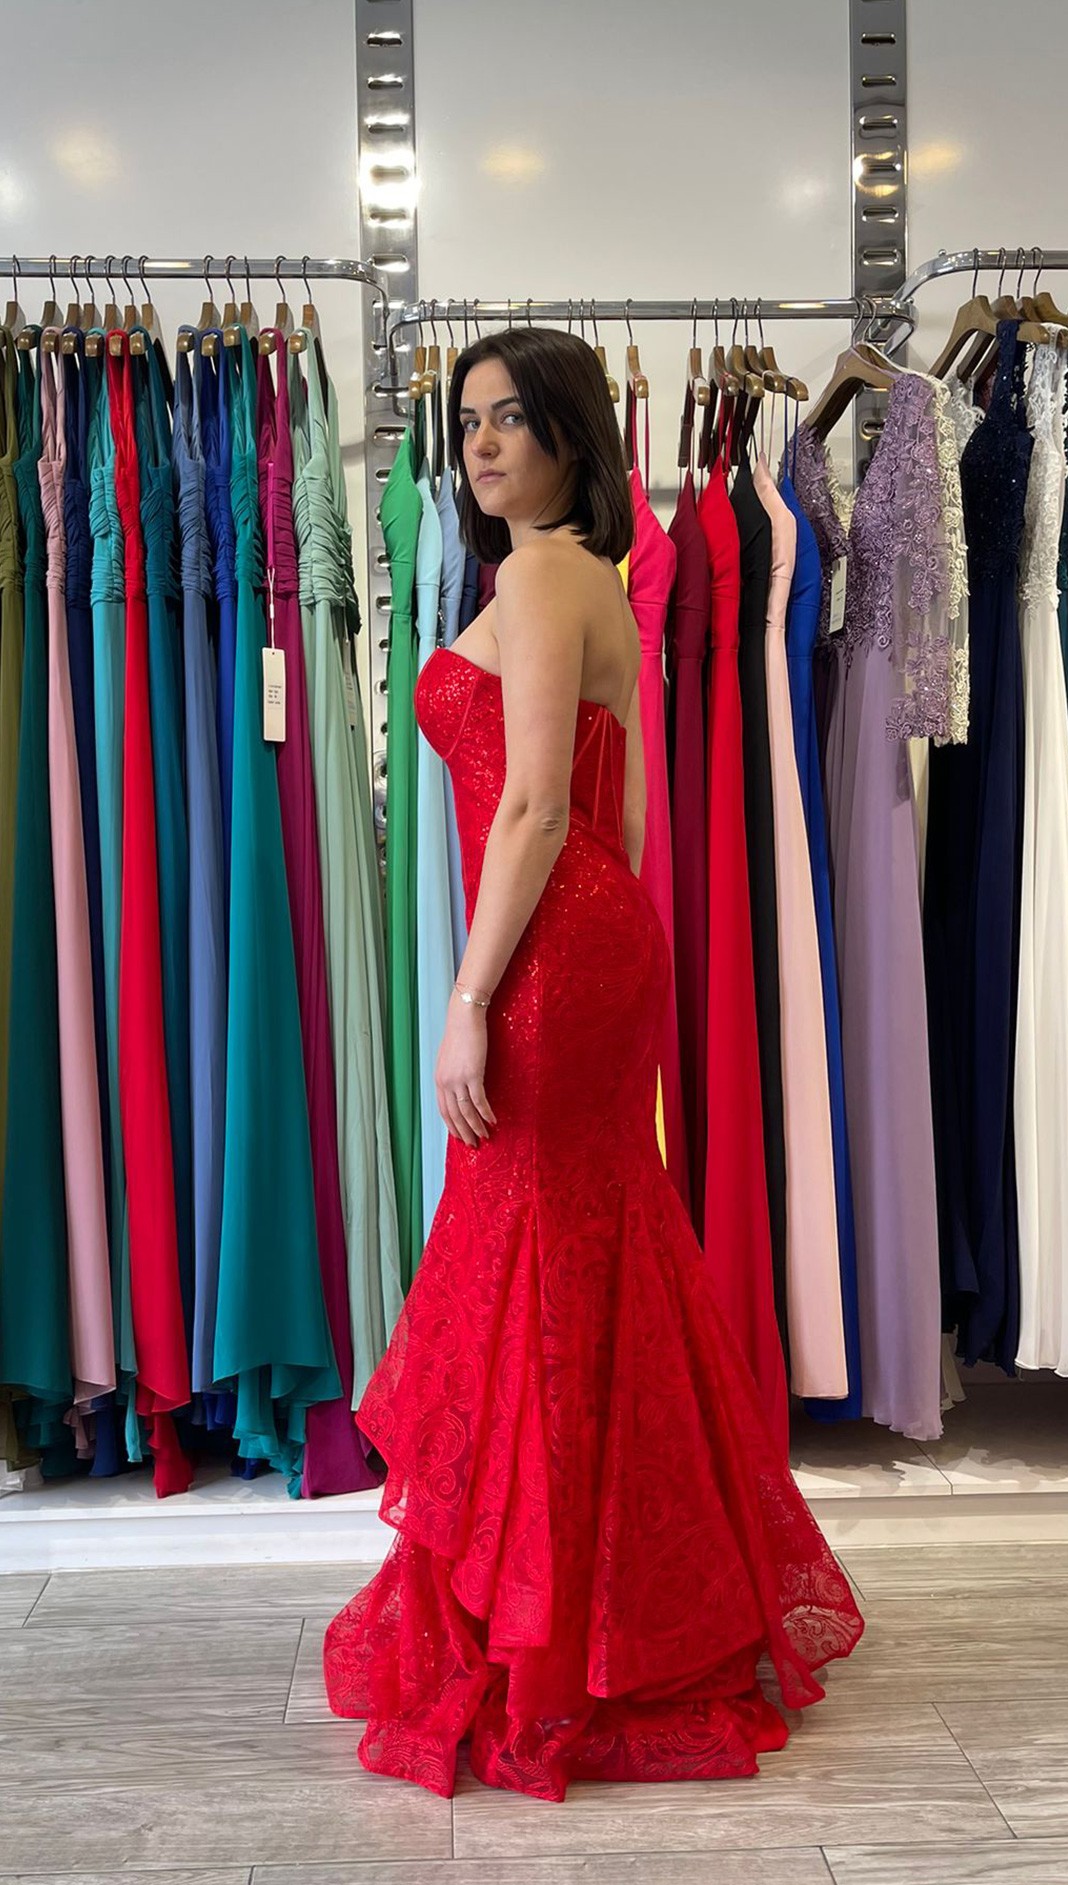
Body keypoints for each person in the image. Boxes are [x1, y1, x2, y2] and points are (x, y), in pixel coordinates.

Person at [323, 327, 864, 1802]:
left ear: (572, 435)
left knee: (542, 1267)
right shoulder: (584, 580)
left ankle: (555, 1637)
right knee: (575, 1264)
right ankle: (602, 1605)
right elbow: (601, 812)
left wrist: (470, 996)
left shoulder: (543, 577)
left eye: (511, 418)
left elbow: (538, 810)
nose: (482, 444)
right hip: (584, 945)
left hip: (550, 958)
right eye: (469, 423)